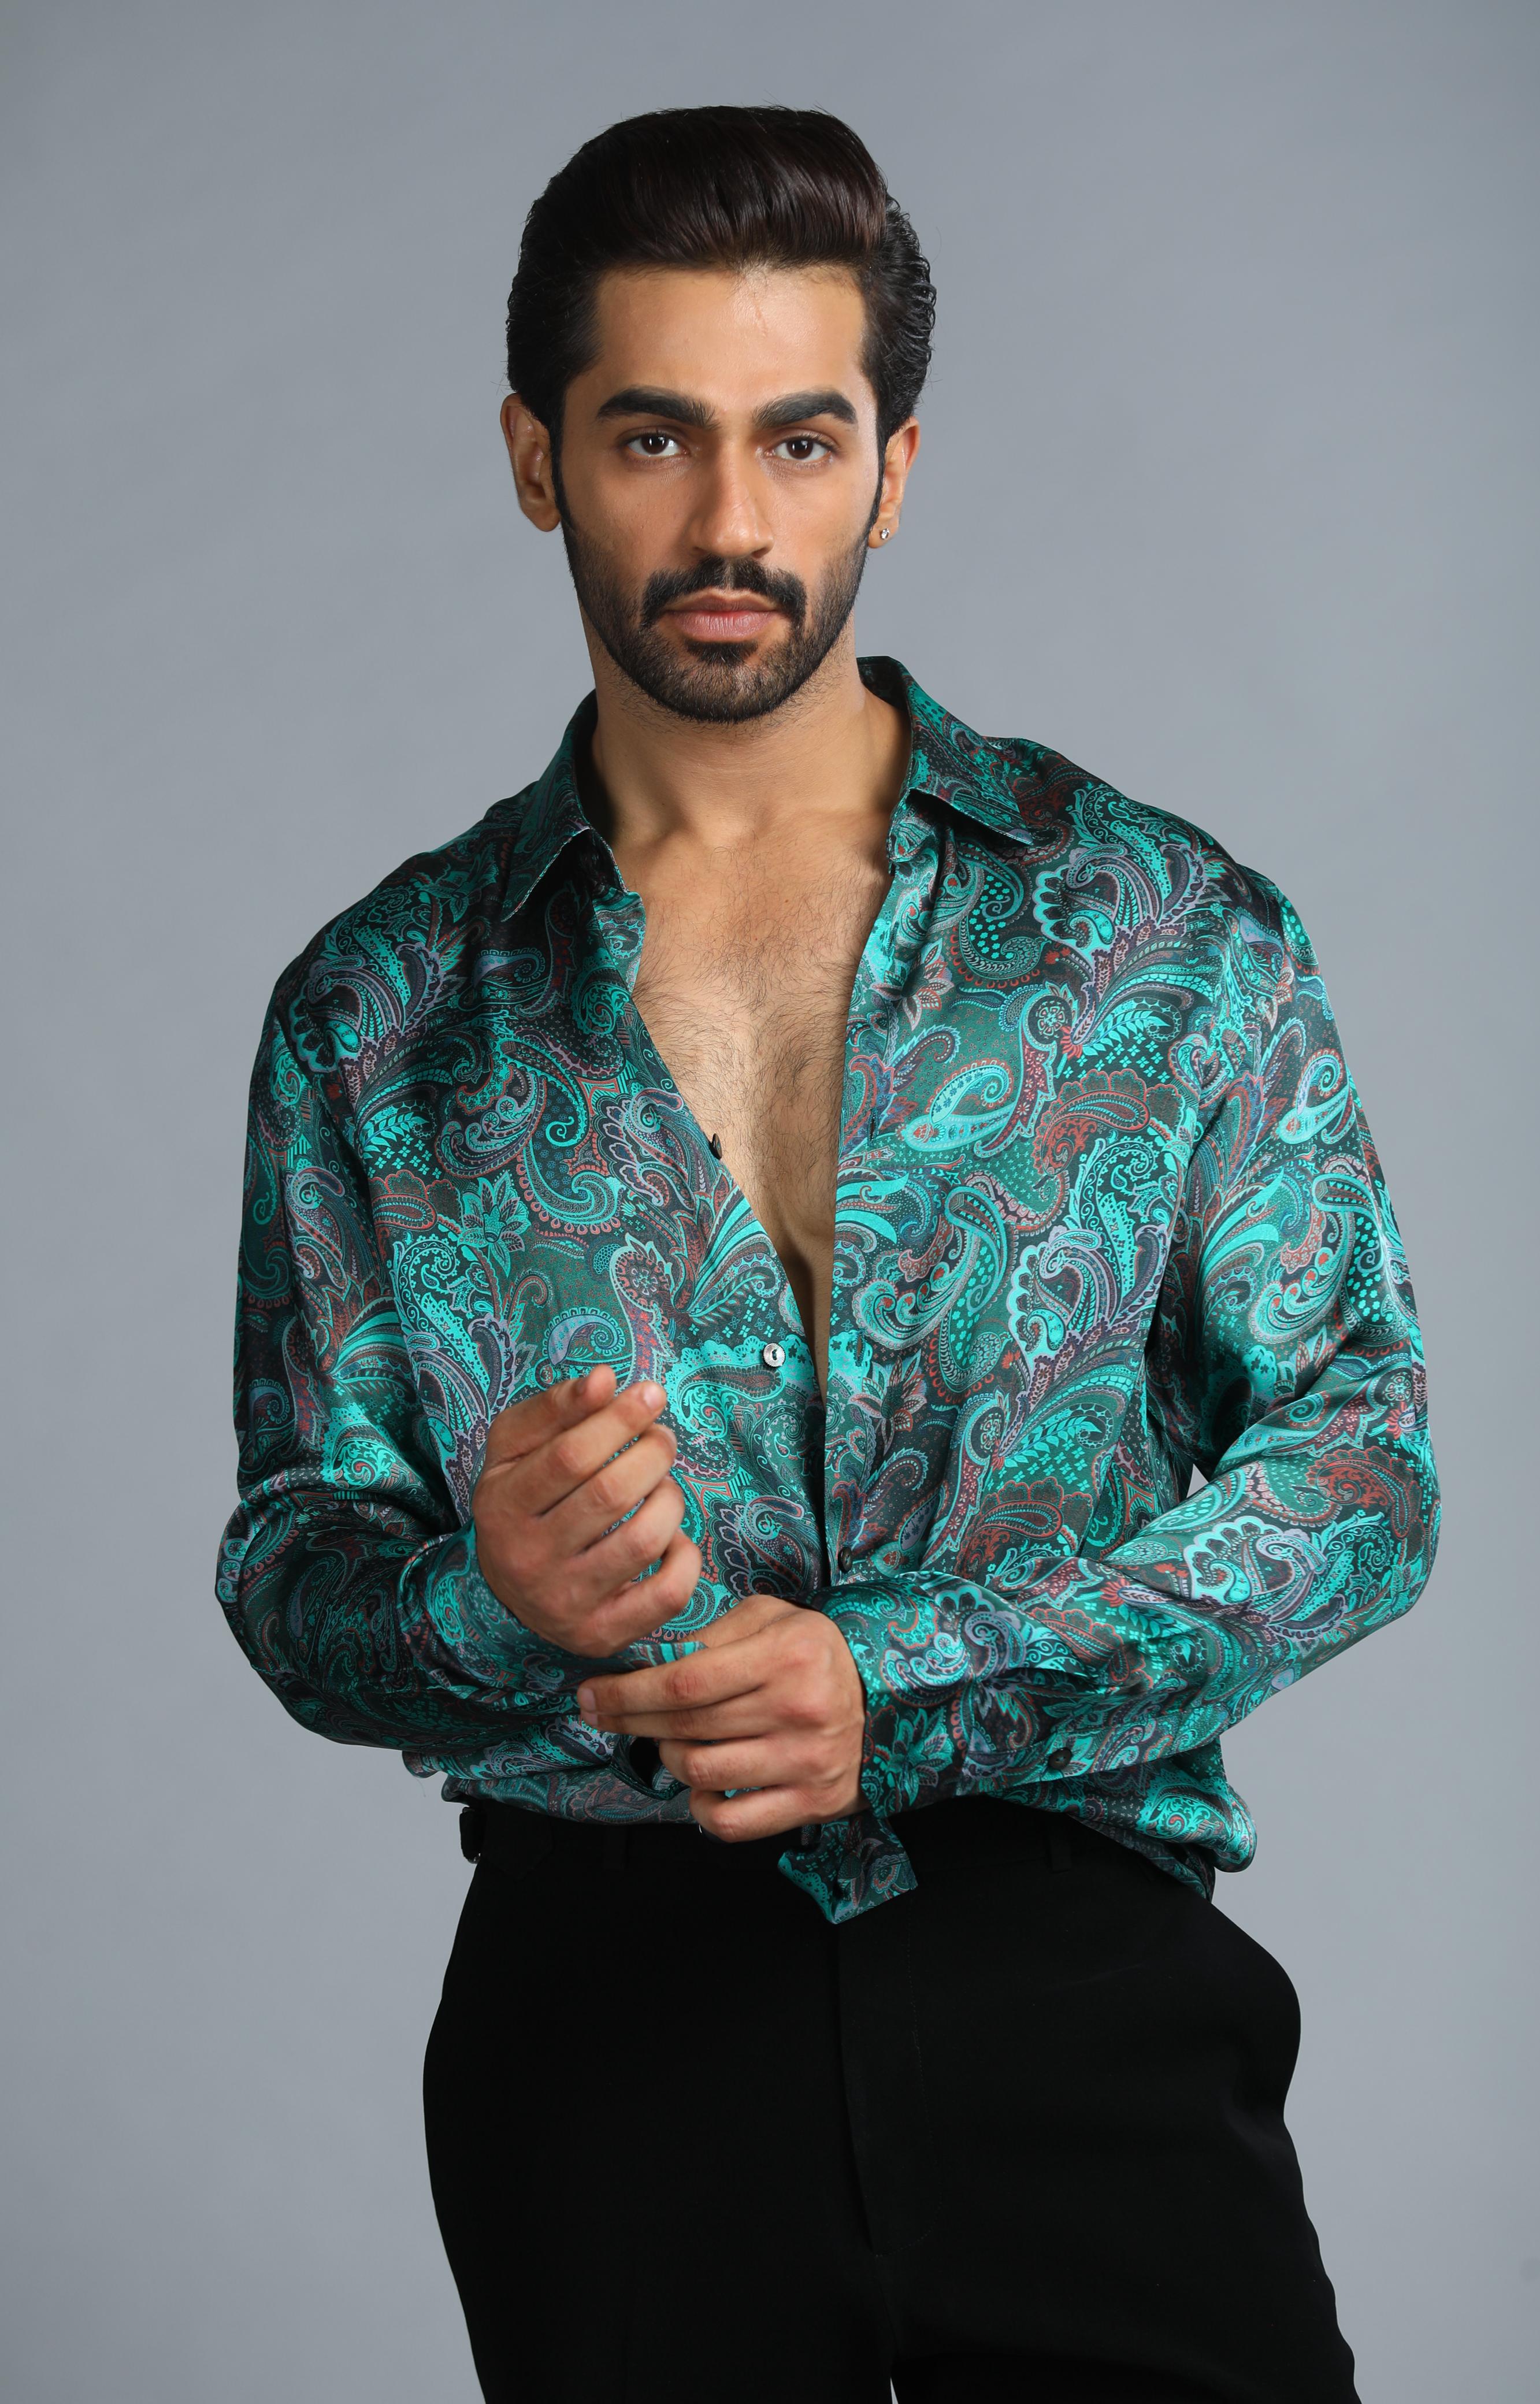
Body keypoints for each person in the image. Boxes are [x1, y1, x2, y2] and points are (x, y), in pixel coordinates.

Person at [217, 105, 1438, 2404]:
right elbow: (296, 1570)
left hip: (1080, 1989)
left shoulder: (1158, 935)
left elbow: (1361, 1470)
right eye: (651, 435)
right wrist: (490, 1598)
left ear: (893, 466)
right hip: (611, 2041)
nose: (730, 522)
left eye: (798, 438)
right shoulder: (379, 1016)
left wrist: (905, 1674)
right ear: (536, 458)